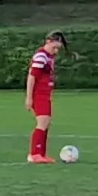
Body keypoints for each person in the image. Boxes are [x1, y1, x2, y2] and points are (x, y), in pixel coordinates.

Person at [25, 30, 67, 164]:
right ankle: (34, 154)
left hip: (45, 94)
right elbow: (32, 77)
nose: (56, 51)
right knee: (42, 123)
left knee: (46, 123)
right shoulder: (41, 56)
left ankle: (41, 153)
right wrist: (29, 97)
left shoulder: (49, 56)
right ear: (48, 41)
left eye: (58, 49)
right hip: (39, 95)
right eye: (54, 47)